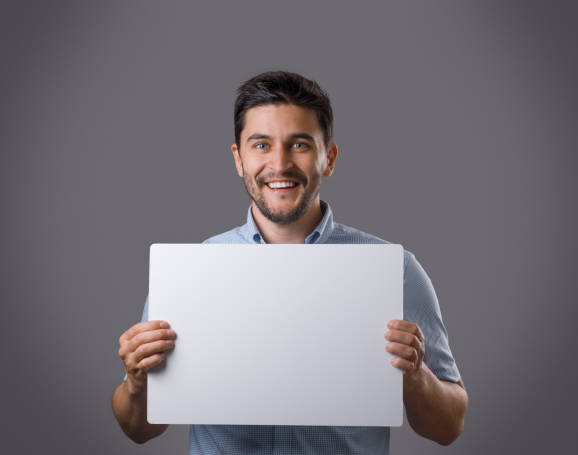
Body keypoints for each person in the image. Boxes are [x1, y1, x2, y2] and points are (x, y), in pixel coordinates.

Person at [111, 70, 468, 454]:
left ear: (328, 158)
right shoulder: (189, 273)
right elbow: (138, 429)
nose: (279, 165)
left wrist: (416, 375)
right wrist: (136, 382)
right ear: (239, 159)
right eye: (261, 145)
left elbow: (447, 427)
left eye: (299, 145)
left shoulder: (393, 270)